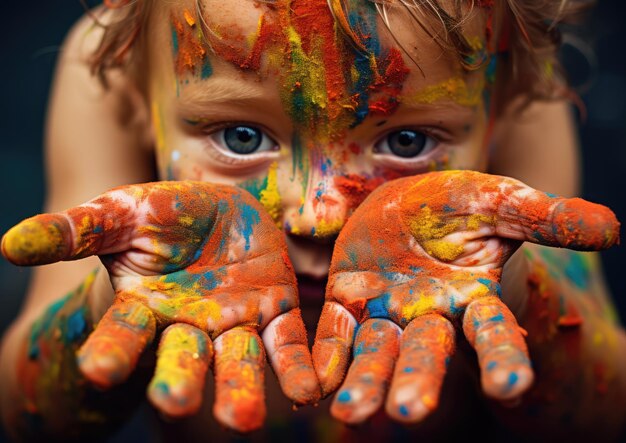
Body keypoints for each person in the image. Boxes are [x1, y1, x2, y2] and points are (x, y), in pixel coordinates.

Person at [1, 0, 625, 441]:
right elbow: (24, 414)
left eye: (407, 141)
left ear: (504, 111)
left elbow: (602, 416)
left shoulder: (521, 73)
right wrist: (111, 294)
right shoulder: (109, 65)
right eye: (241, 137)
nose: (317, 215)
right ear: (139, 103)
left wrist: (510, 284)